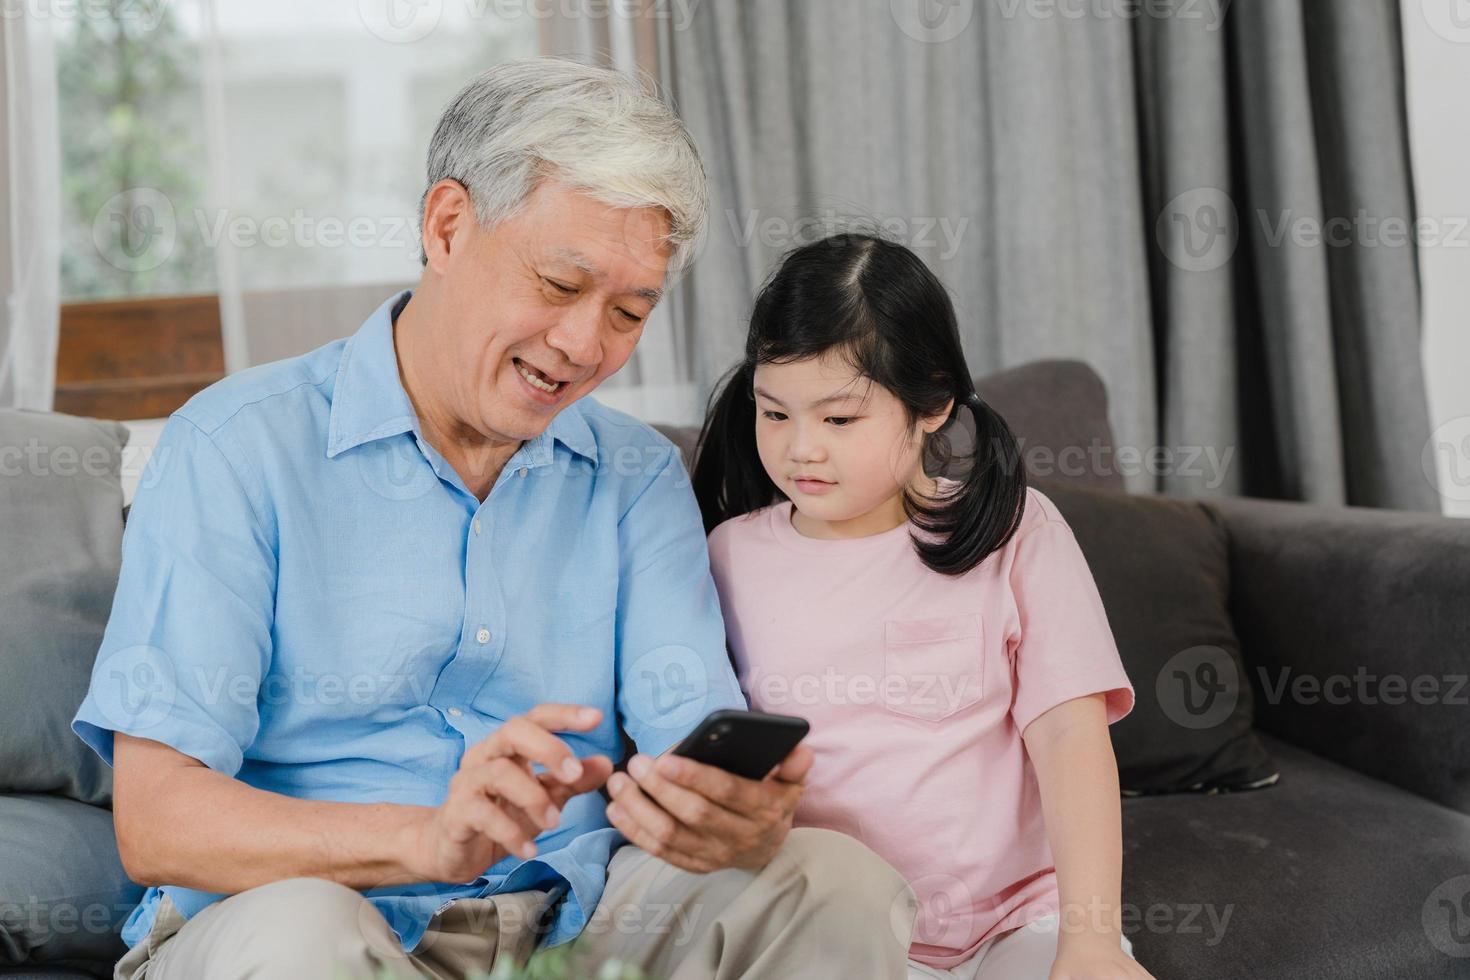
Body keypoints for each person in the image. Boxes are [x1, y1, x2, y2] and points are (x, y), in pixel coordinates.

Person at [71, 60, 916, 979]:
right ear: (446, 226)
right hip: (308, 919)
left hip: (567, 922)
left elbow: (690, 742)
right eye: (559, 284)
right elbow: (158, 820)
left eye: (629, 312)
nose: (585, 346)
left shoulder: (633, 475)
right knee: (301, 941)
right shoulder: (237, 447)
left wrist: (730, 810)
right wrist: (426, 839)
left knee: (834, 881)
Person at [694, 233, 1156, 980]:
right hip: (839, 932)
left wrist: (1091, 938)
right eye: (774, 413)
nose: (800, 449)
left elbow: (1072, 740)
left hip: (1017, 920)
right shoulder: (728, 558)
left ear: (933, 402)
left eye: (839, 420)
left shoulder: (1016, 531)